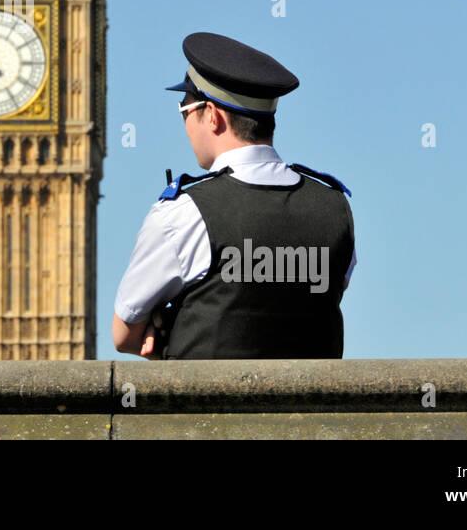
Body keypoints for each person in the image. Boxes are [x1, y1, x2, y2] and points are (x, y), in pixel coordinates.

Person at [112, 32, 356, 360]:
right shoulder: (334, 209)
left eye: (185, 109)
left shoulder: (182, 214)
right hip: (310, 411)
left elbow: (125, 335)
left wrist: (170, 324)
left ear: (212, 116)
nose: (184, 122)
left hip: (209, 411)